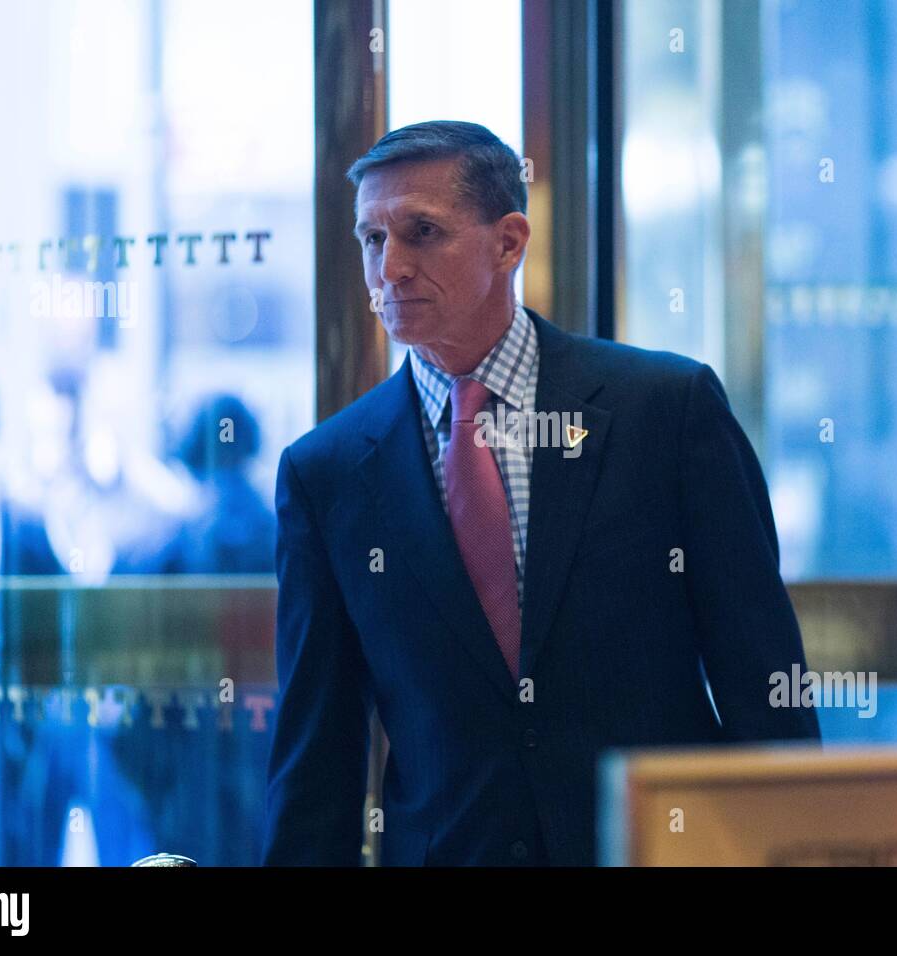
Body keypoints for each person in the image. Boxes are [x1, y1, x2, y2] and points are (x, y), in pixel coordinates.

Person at [263, 120, 819, 867]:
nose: (389, 268)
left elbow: (763, 687)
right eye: (371, 239)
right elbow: (316, 761)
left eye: (422, 232)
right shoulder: (324, 472)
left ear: (509, 242)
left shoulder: (665, 409)